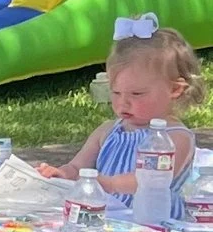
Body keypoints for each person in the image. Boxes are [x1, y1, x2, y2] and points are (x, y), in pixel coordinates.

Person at [39, 16, 204, 197]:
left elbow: (153, 179)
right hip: (106, 220)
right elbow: (77, 167)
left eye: (136, 94)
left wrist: (110, 184)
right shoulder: (108, 131)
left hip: (153, 221)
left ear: (175, 89)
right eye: (116, 92)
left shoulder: (175, 137)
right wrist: (61, 174)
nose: (123, 102)